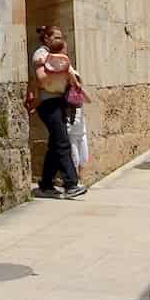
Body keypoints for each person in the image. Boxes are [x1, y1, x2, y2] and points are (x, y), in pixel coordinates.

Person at [28, 25, 87, 199]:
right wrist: (59, 71)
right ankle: (71, 184)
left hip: (59, 101)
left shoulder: (61, 56)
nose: (60, 40)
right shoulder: (40, 54)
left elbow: (73, 80)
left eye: (61, 37)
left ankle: (46, 184)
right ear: (46, 39)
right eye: (56, 37)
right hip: (48, 102)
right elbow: (41, 79)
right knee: (62, 142)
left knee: (55, 145)